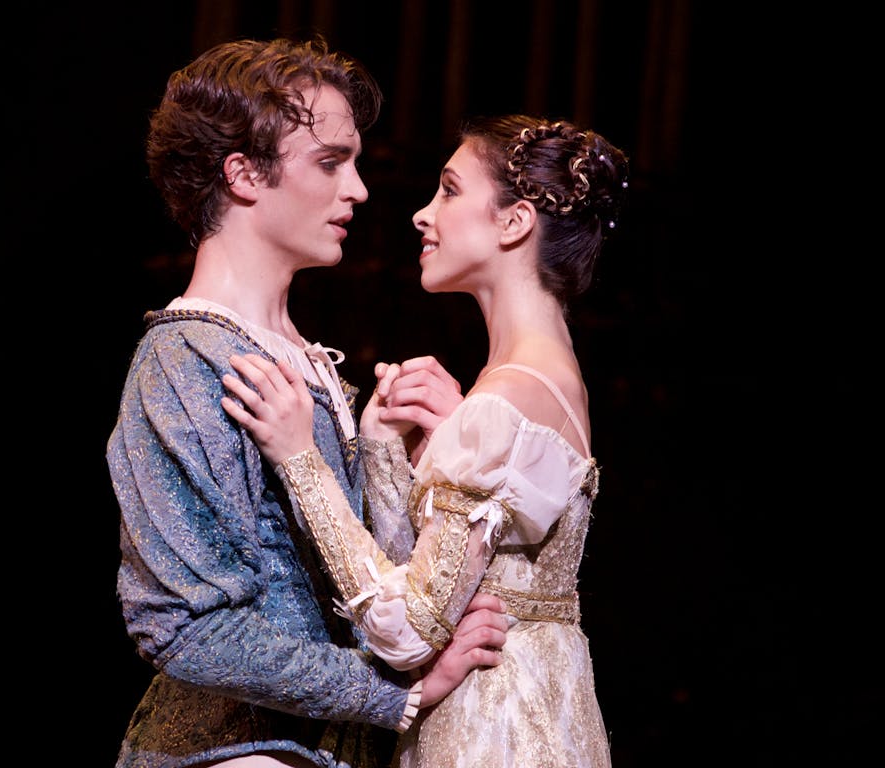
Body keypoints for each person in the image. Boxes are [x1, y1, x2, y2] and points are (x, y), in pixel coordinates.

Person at [106, 37, 510, 768]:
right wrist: (398, 696)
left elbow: (365, 591)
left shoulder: (309, 364)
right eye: (330, 163)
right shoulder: (187, 360)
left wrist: (393, 452)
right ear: (243, 173)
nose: (357, 189)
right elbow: (183, 626)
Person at [221, 114, 629, 767]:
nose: (421, 213)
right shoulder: (537, 385)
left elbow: (409, 630)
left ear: (513, 222)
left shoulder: (508, 401)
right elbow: (429, 580)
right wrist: (389, 448)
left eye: (449, 190)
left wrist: (301, 458)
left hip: (494, 735)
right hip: (536, 716)